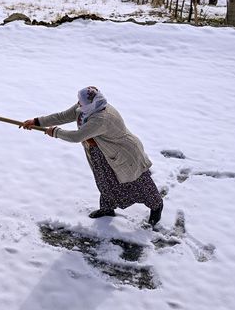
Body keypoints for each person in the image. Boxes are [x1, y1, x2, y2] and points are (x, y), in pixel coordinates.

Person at [21, 86, 163, 224]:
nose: (77, 104)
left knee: (136, 181)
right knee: (105, 182)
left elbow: (77, 136)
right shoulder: (86, 107)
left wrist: (55, 132)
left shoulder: (101, 118)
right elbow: (63, 116)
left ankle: (156, 205)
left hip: (123, 154)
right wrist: (37, 122)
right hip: (101, 153)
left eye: (80, 102)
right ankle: (107, 208)